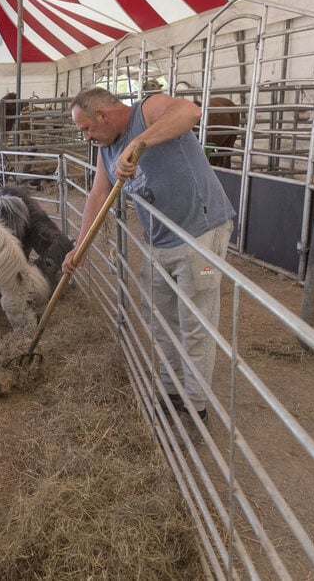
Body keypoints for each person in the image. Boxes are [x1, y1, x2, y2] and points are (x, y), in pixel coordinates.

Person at [63, 87, 236, 432]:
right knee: (159, 317)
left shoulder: (149, 109)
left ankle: (196, 408)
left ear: (103, 115)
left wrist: (138, 143)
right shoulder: (106, 149)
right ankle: (171, 392)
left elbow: (190, 112)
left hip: (199, 233)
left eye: (86, 129)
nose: (86, 138)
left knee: (195, 321)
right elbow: (98, 195)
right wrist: (79, 247)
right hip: (159, 239)